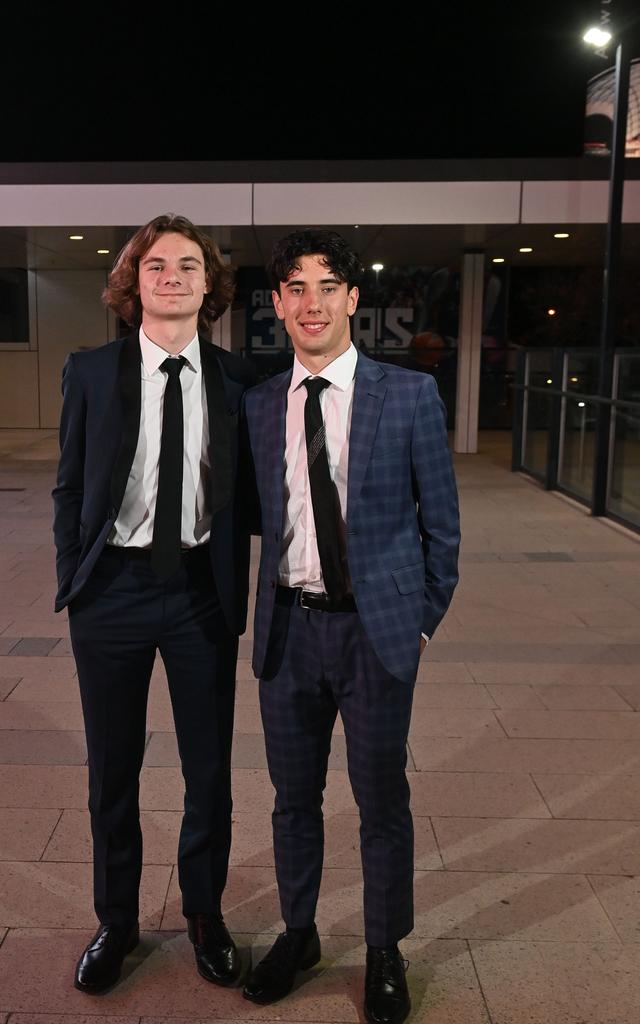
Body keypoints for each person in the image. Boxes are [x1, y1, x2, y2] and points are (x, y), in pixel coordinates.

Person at [242, 229, 460, 1024]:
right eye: (296, 288)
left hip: (376, 637)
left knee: (382, 801)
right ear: (278, 304)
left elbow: (445, 530)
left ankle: (383, 950)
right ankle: (299, 934)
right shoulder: (261, 404)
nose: (312, 302)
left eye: (327, 286)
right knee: (292, 799)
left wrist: (421, 625)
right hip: (289, 634)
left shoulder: (407, 397)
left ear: (353, 299)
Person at [52, 214, 255, 995]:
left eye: (189, 265)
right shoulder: (93, 372)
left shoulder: (240, 382)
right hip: (112, 596)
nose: (172, 275)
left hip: (201, 592)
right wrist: (75, 577)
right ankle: (118, 920)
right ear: (133, 284)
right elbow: (69, 486)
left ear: (210, 286)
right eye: (156, 264)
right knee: (113, 770)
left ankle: (204, 913)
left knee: (209, 770)